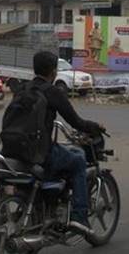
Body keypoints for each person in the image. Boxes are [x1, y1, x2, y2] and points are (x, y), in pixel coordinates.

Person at [30, 51, 105, 235]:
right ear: (53, 71)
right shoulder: (52, 91)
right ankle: (80, 217)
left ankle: (50, 202)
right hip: (40, 152)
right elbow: (76, 122)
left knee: (66, 155)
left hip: (15, 150)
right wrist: (96, 127)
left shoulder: (24, 89)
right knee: (78, 160)